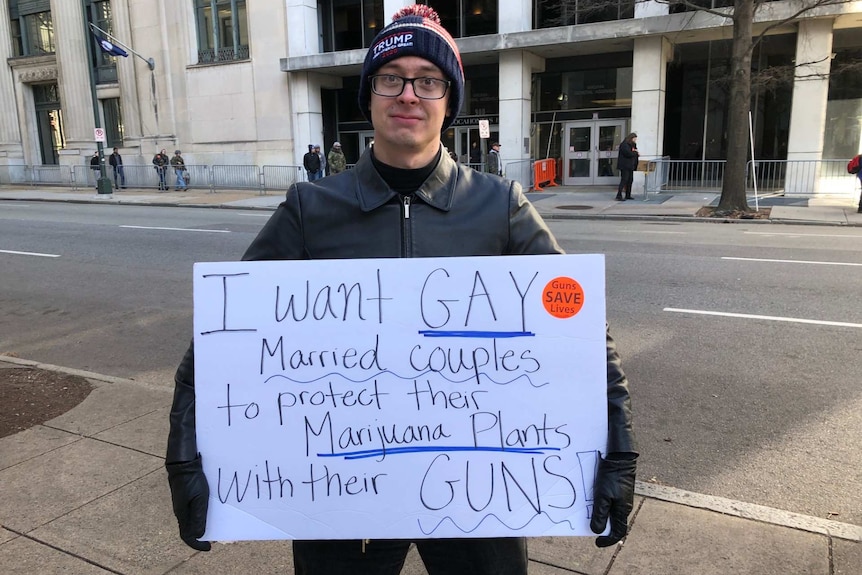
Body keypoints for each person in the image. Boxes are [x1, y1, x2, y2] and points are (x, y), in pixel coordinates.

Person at [166, 5, 637, 574]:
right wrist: (185, 453)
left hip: (476, 494)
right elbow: (223, 333)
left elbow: (581, 334)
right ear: (369, 95)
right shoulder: (310, 209)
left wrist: (619, 448)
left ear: (450, 101)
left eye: (427, 80)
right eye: (391, 77)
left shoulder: (501, 207)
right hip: (343, 495)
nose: (408, 94)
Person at [616, 133, 638, 201]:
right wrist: (635, 153)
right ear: (631, 138)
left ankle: (628, 195)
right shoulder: (624, 144)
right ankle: (619, 195)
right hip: (624, 165)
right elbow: (628, 153)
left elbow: (634, 151)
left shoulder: (633, 145)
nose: (635, 140)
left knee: (630, 180)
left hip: (631, 165)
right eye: (634, 139)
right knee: (624, 180)